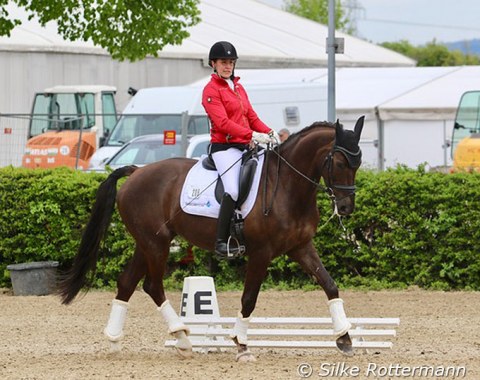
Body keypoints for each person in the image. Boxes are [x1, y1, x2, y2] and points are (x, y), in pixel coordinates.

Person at [202, 41, 279, 257]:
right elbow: (223, 123)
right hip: (224, 149)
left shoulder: (238, 87)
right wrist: (252, 135)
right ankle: (221, 241)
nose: (228, 66)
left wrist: (269, 132)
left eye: (231, 62)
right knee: (233, 190)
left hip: (245, 146)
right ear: (213, 64)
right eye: (223, 62)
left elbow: (251, 116)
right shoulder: (210, 91)